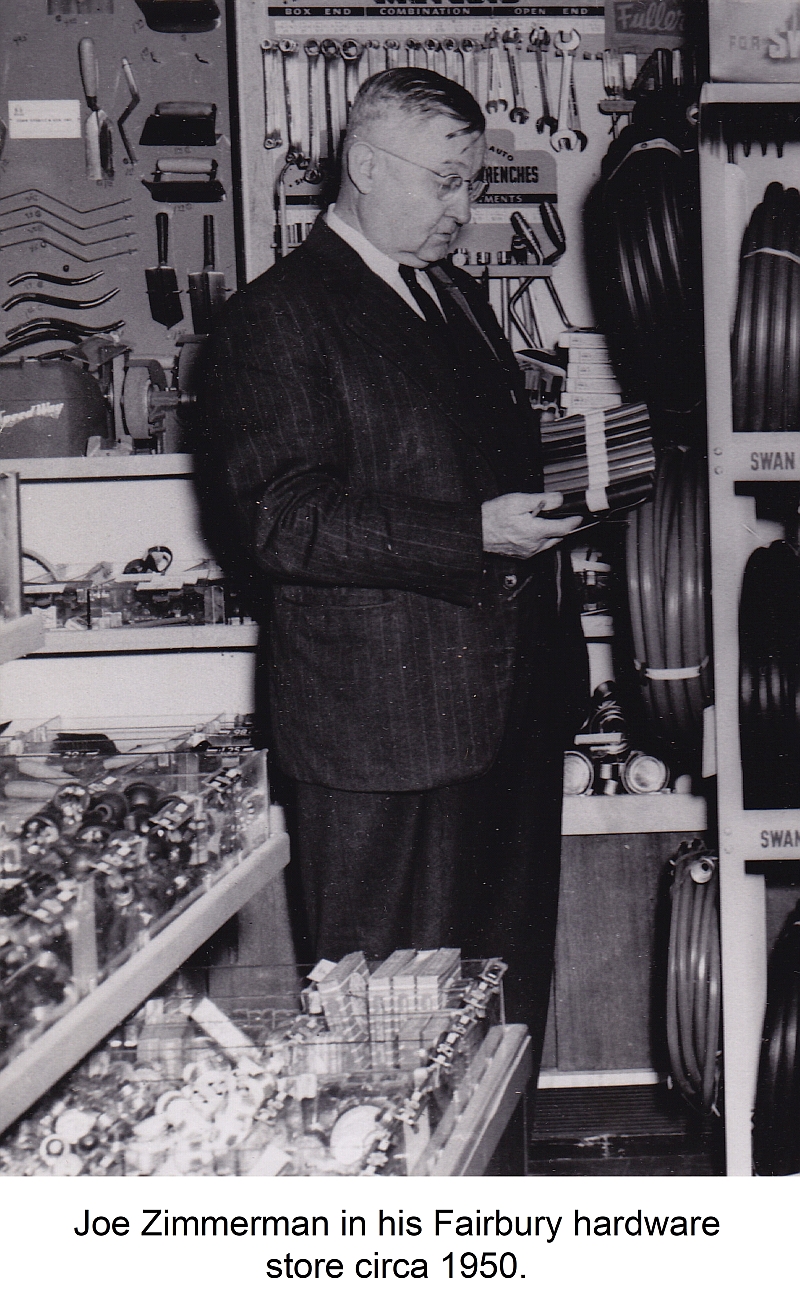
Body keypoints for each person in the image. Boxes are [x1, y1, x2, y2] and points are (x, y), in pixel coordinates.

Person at [198, 68, 587, 1076]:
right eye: (447, 182)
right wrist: (471, 535)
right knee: (384, 1041)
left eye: (472, 183)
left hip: (506, 715)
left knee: (498, 1024)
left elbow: (473, 469)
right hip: (381, 738)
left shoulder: (453, 298)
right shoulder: (273, 319)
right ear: (366, 167)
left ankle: (492, 1213)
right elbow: (284, 519)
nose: (464, 208)